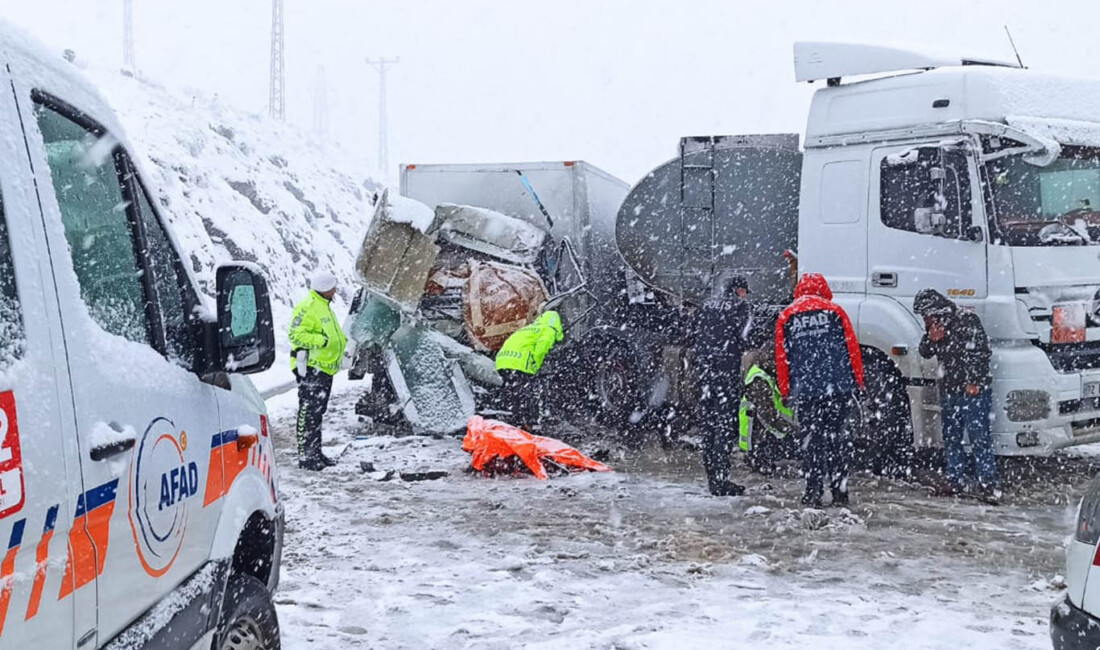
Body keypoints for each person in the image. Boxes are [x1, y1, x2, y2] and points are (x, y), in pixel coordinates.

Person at [775, 273, 864, 507]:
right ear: (823, 289)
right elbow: (852, 349)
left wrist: (786, 391)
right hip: (837, 388)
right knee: (836, 440)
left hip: (806, 392)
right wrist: (858, 381)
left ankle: (813, 492)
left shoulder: (787, 316)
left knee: (811, 443)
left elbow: (782, 359)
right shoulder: (835, 311)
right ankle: (840, 492)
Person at [914, 289, 1000, 499]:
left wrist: (973, 380)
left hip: (971, 390)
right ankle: (955, 479)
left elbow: (980, 352)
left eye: (927, 315)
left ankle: (988, 483)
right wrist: (932, 338)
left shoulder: (966, 320)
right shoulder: (937, 326)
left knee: (979, 437)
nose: (926, 320)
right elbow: (924, 351)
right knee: (952, 437)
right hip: (950, 388)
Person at [695, 274, 754, 497]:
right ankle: (721, 481)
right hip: (726, 370)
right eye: (745, 291)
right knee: (725, 425)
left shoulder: (705, 305)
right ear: (739, 290)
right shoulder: (741, 306)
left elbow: (690, 333)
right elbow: (747, 337)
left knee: (709, 424)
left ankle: (712, 477)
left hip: (704, 371)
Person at [289, 271, 348, 471]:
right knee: (308, 412)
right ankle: (306, 457)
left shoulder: (323, 305)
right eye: (333, 287)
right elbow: (296, 334)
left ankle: (315, 453)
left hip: (324, 369)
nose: (335, 290)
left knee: (317, 412)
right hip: (311, 368)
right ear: (325, 288)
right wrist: (322, 341)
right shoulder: (309, 306)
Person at [495, 310, 564, 430]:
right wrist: (535, 365)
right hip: (519, 362)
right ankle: (528, 424)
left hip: (503, 360)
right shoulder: (548, 329)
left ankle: (517, 422)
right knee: (527, 394)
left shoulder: (530, 328)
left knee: (515, 393)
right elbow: (543, 347)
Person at [739, 350, 798, 476]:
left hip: (768, 434)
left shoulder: (765, 374)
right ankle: (760, 460)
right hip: (760, 438)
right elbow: (768, 417)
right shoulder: (759, 380)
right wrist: (795, 431)